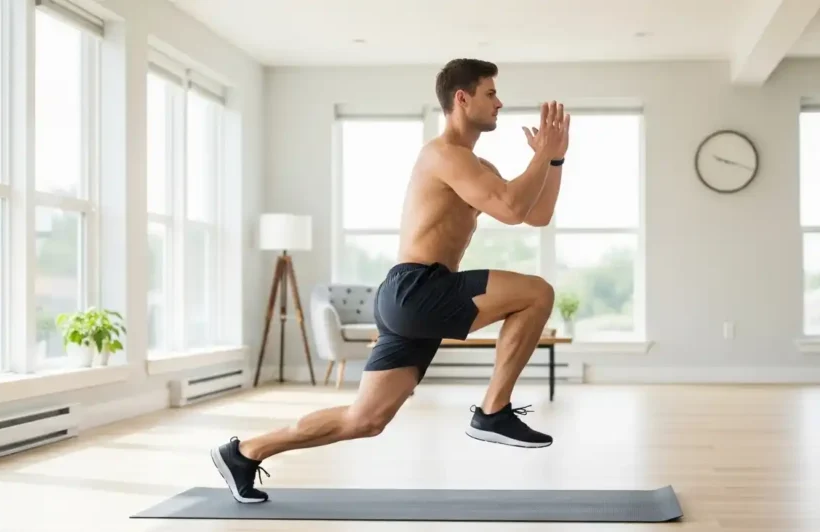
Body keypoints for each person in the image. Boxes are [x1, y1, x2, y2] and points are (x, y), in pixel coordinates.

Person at [211, 58, 570, 504]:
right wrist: (540, 155)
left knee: (365, 420)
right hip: (418, 288)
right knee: (537, 292)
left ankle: (244, 452)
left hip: (409, 297)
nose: (500, 102)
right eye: (490, 93)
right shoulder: (443, 155)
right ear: (462, 98)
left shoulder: (478, 167)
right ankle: (493, 411)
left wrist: (553, 159)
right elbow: (513, 208)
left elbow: (535, 214)